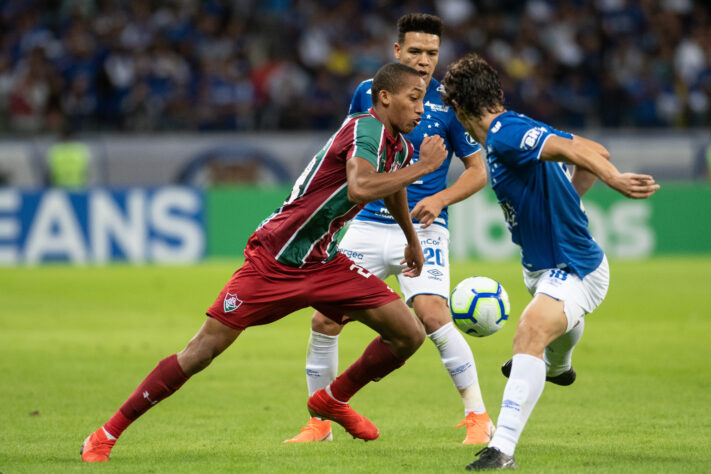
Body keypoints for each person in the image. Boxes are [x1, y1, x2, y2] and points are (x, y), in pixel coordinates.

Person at [80, 62, 448, 462]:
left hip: (324, 262)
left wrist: (411, 238)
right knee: (201, 351)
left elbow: (390, 188)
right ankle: (105, 434)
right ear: (384, 98)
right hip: (274, 259)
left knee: (408, 334)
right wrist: (425, 169)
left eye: (423, 101)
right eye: (414, 99)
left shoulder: (400, 146)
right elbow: (361, 185)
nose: (420, 109)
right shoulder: (365, 128)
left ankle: (331, 399)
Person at [440, 53, 660, 470]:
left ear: (459, 109)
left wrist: (614, 180)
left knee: (530, 331)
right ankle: (558, 365)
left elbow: (587, 154)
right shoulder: (515, 127)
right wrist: (569, 199)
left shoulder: (505, 133)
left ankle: (501, 449)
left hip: (575, 264)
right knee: (550, 327)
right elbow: (594, 149)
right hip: (540, 267)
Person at [285, 13, 492, 445]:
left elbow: (477, 171)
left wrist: (439, 199)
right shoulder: (368, 93)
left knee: (433, 315)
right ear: (396, 51)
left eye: (431, 53)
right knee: (325, 320)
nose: (423, 60)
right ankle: (318, 424)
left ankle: (478, 418)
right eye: (414, 51)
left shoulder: (452, 104)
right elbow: (352, 147)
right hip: (365, 225)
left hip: (422, 227)